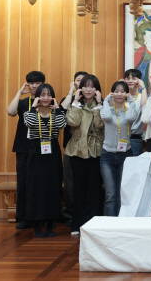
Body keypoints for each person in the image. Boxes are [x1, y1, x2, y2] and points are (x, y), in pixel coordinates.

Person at [23, 83, 67, 237]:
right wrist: (33, 107)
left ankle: (50, 225)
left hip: (52, 152)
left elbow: (62, 125)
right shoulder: (30, 113)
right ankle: (36, 225)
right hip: (36, 152)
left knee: (52, 188)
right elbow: (29, 123)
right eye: (42, 95)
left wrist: (57, 109)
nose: (46, 98)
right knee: (35, 188)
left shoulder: (56, 113)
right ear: (37, 97)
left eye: (49, 95)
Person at [65, 74, 105, 236]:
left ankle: (96, 223)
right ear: (80, 88)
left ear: (97, 90)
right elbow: (72, 122)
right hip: (77, 150)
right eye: (85, 86)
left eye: (92, 86)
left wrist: (99, 104)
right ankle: (77, 224)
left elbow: (99, 124)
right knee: (78, 189)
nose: (88, 89)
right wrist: (75, 100)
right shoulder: (75, 104)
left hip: (96, 150)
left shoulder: (102, 105)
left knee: (95, 189)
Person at [6, 70, 45, 229]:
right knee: (23, 183)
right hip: (23, 147)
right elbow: (10, 111)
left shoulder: (46, 101)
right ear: (27, 85)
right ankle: (24, 217)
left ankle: (41, 216)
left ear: (43, 84)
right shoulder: (23, 103)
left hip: (42, 147)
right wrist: (19, 93)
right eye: (31, 83)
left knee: (40, 183)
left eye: (37, 83)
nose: (34, 86)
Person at [99, 81, 139, 217]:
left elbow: (130, 118)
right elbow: (106, 117)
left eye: (122, 91)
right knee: (110, 195)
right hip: (107, 156)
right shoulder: (107, 110)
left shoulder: (129, 110)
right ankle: (110, 225)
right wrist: (106, 100)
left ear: (127, 93)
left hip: (125, 155)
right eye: (116, 91)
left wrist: (131, 100)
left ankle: (122, 223)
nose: (119, 94)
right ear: (112, 93)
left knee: (123, 193)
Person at [59, 70, 88, 226]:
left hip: (88, 148)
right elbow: (61, 110)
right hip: (70, 147)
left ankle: (86, 214)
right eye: (78, 80)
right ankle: (69, 216)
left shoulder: (93, 99)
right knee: (70, 184)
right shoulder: (68, 99)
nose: (81, 83)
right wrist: (72, 91)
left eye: (84, 80)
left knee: (86, 183)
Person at [124, 68, 146, 156]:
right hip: (120, 138)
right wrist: (119, 86)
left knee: (134, 164)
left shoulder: (142, 97)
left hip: (135, 139)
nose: (130, 81)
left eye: (133, 78)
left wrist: (143, 88)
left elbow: (145, 109)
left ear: (139, 80)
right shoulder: (120, 97)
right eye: (127, 78)